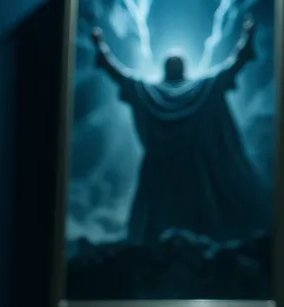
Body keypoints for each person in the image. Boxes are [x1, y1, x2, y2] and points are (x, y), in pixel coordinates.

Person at [90, 16, 266, 247]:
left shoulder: (148, 93)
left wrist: (100, 46)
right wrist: (246, 38)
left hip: (165, 175)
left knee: (163, 228)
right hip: (194, 174)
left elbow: (115, 72)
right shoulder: (202, 89)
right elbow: (235, 64)